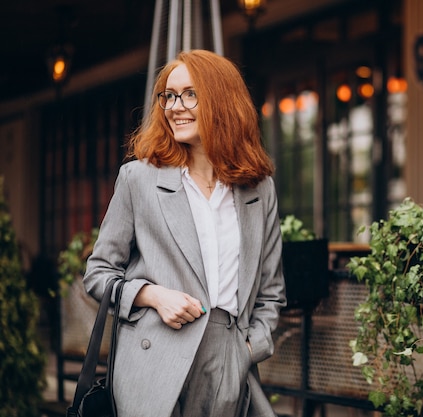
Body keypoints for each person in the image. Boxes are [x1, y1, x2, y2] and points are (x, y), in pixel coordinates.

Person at [83, 49, 286, 417]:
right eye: (169, 96)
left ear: (223, 101)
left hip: (229, 358)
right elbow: (98, 274)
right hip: (152, 360)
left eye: (190, 94)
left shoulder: (259, 188)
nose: (175, 106)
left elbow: (271, 293)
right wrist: (151, 295)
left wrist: (247, 349)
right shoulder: (139, 179)